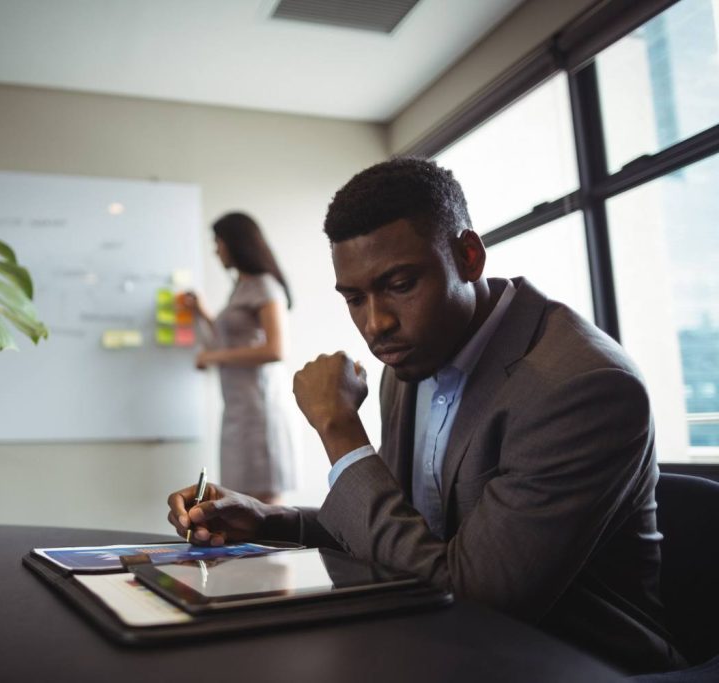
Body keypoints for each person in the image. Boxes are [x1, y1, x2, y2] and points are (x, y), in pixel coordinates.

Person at [167, 159, 685, 675]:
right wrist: (268, 521)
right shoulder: (410, 362)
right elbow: (400, 533)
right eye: (355, 298)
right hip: (436, 644)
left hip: (570, 664)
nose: (376, 324)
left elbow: (474, 601)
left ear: (468, 256)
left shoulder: (581, 386)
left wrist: (340, 432)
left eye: (400, 284)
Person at [184, 212, 299, 504]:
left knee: (264, 505)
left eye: (218, 242)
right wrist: (202, 312)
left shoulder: (265, 286)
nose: (216, 251)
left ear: (235, 243)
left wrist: (212, 357)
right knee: (240, 502)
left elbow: (276, 349)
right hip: (238, 410)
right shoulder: (241, 287)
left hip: (260, 412)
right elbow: (232, 338)